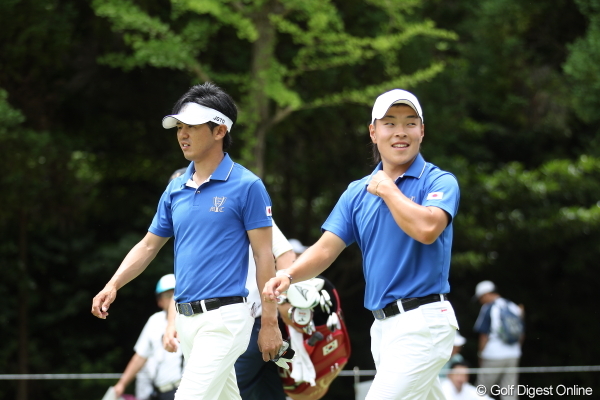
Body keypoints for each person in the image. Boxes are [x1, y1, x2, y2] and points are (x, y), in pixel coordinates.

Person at [264, 88, 460, 400]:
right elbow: (325, 248)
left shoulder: (439, 181)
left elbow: (427, 229)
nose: (400, 131)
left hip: (423, 322)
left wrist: (387, 189)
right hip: (382, 327)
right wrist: (288, 275)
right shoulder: (357, 193)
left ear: (422, 131)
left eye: (410, 123)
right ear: (373, 132)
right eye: (389, 123)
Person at [92, 82, 283, 400]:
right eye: (179, 127)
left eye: (192, 127)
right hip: (186, 321)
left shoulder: (247, 185)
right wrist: (113, 284)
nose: (182, 134)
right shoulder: (175, 188)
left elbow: (265, 256)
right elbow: (148, 245)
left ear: (220, 130)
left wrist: (270, 321)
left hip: (225, 318)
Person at [234, 221, 295, 400]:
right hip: (250, 324)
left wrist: (282, 305)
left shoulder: (250, 206)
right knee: (269, 393)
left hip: (254, 324)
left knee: (224, 392)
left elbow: (286, 256)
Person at [113, 274, 184, 400]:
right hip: (158, 393)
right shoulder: (154, 321)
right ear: (159, 301)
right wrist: (122, 384)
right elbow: (140, 356)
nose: (173, 299)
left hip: (184, 390)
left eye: (175, 293)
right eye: (168, 295)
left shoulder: (190, 319)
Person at [473, 280, 524, 400]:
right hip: (513, 354)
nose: (480, 301)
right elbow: (521, 334)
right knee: (509, 391)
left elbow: (484, 335)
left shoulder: (488, 307)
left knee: (481, 391)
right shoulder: (512, 306)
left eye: (480, 298)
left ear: (486, 294)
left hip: (493, 355)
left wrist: (480, 355)